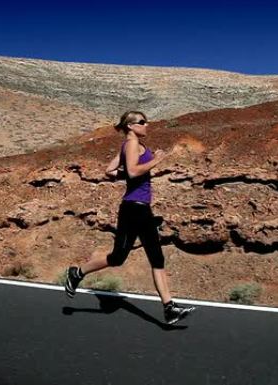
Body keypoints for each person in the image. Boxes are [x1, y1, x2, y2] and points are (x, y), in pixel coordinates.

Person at [65, 111, 195, 325]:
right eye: (142, 122)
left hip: (143, 209)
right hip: (132, 209)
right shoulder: (131, 144)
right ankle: (77, 272)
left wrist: (131, 170)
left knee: (157, 258)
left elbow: (110, 171)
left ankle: (169, 308)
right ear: (131, 126)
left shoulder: (129, 145)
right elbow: (133, 172)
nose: (147, 125)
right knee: (117, 258)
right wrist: (157, 159)